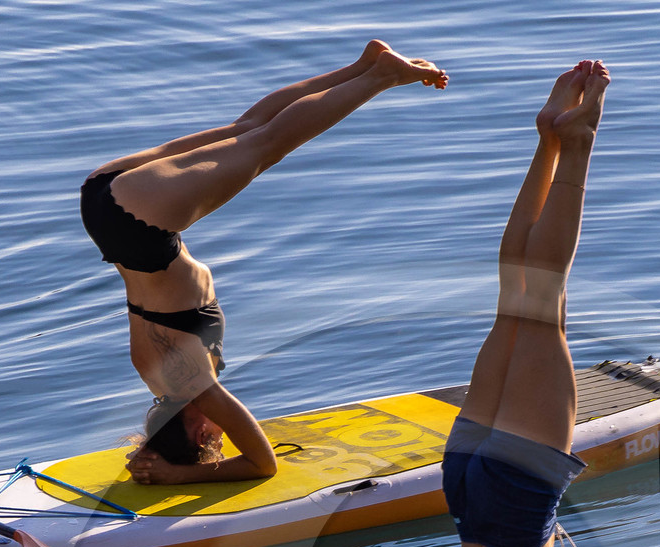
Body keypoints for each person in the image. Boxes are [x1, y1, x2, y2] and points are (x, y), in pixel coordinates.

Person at [81, 39, 448, 485]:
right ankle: (362, 65)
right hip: (104, 198)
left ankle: (382, 75)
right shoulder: (161, 384)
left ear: (199, 433)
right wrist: (154, 458)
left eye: (214, 440)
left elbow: (262, 464)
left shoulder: (193, 388)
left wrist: (179, 476)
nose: (222, 435)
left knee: (269, 143)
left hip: (138, 222)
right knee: (250, 128)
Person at [442, 62, 620, 547]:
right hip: (464, 489)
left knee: (543, 298)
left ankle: (575, 144)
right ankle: (546, 141)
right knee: (513, 297)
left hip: (517, 498)